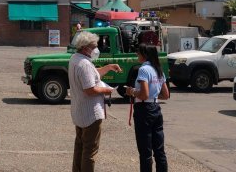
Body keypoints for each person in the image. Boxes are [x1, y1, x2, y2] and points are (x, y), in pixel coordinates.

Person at [68, 31, 122, 172]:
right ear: (86, 47)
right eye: (94, 46)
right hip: (90, 113)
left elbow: (91, 75)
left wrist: (108, 67)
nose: (96, 49)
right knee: (90, 151)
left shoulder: (75, 58)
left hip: (80, 112)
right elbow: (90, 89)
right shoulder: (85, 64)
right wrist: (108, 90)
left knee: (80, 147)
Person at [125, 44, 168, 172]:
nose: (137, 55)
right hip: (155, 107)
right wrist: (154, 95)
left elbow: (144, 94)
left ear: (144, 55)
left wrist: (131, 91)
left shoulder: (143, 70)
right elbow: (166, 95)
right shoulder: (158, 69)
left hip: (144, 110)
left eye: (138, 53)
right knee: (159, 150)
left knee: (145, 152)